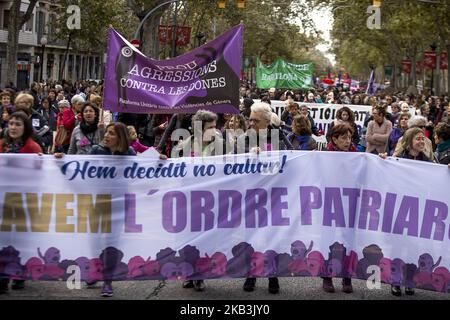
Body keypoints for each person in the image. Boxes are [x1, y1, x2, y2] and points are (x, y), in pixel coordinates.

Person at [236, 102, 284, 294]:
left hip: (273, 195)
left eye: (255, 120)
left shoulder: (279, 135)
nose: (251, 122)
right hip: (252, 194)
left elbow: (294, 155)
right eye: (250, 119)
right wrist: (250, 153)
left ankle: (273, 276)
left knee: (272, 236)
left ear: (266, 120)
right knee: (251, 236)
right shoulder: (246, 136)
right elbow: (236, 158)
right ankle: (251, 275)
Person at [0, 112, 42, 293]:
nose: (13, 127)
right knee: (3, 239)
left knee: (20, 239)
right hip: (4, 202)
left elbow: (43, 175)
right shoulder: (1, 146)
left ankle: (19, 273)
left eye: (18, 124)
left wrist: (47, 161)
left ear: (25, 128)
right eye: (11, 124)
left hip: (25, 202)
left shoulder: (33, 148)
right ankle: (2, 277)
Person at [323, 123, 355, 293]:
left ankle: (346, 277)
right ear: (334, 139)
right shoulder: (325, 155)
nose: (348, 141)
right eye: (343, 138)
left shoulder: (356, 155)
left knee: (348, 241)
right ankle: (327, 276)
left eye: (349, 137)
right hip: (330, 202)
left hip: (349, 203)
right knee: (329, 240)